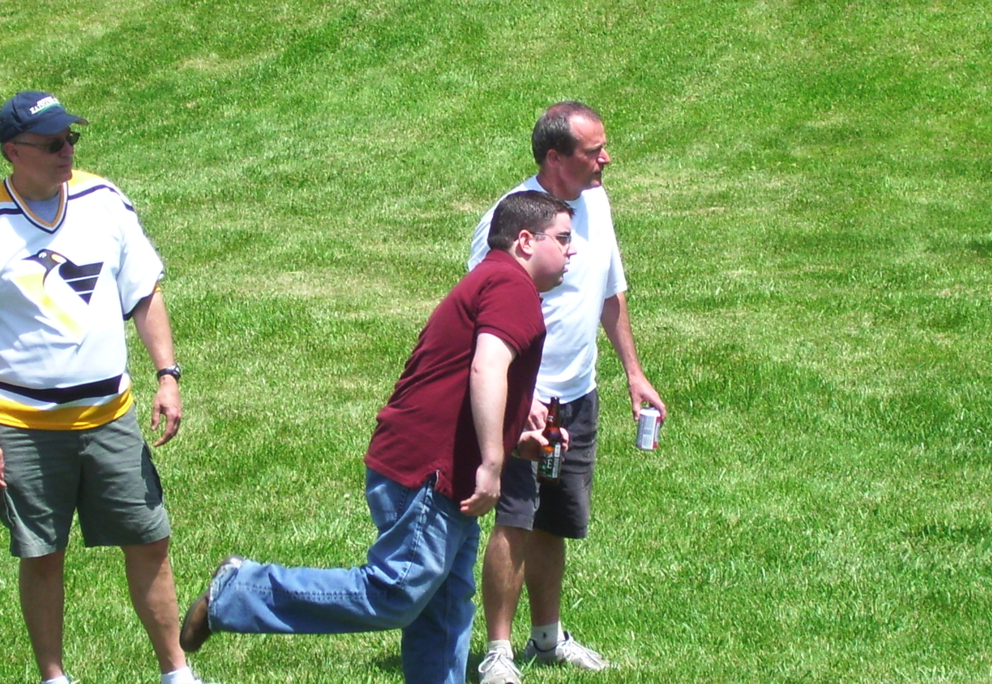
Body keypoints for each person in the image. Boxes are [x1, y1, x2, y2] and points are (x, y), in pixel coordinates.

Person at [178, 190, 576, 684]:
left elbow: (454, 385)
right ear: (525, 241)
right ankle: (240, 592)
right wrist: (493, 465)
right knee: (395, 592)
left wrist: (515, 443)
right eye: (563, 238)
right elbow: (486, 367)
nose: (572, 250)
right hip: (429, 471)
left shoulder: (494, 280)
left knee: (443, 608)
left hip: (431, 467)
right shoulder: (510, 285)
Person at [0, 91, 200, 684]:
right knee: (42, 555)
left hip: (110, 416)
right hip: (24, 425)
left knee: (150, 541)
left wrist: (167, 374)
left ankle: (176, 673)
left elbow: (143, 290)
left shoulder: (102, 201)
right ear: (12, 152)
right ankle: (54, 678)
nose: (67, 151)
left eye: (71, 139)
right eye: (52, 144)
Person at [469, 101, 667, 684]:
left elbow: (610, 290)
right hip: (524, 400)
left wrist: (633, 372)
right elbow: (479, 315)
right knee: (515, 518)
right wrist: (518, 395)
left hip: (578, 395)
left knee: (555, 519)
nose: (607, 159)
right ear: (555, 158)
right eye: (593, 151)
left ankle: (547, 637)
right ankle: (498, 652)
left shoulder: (595, 202)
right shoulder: (510, 220)